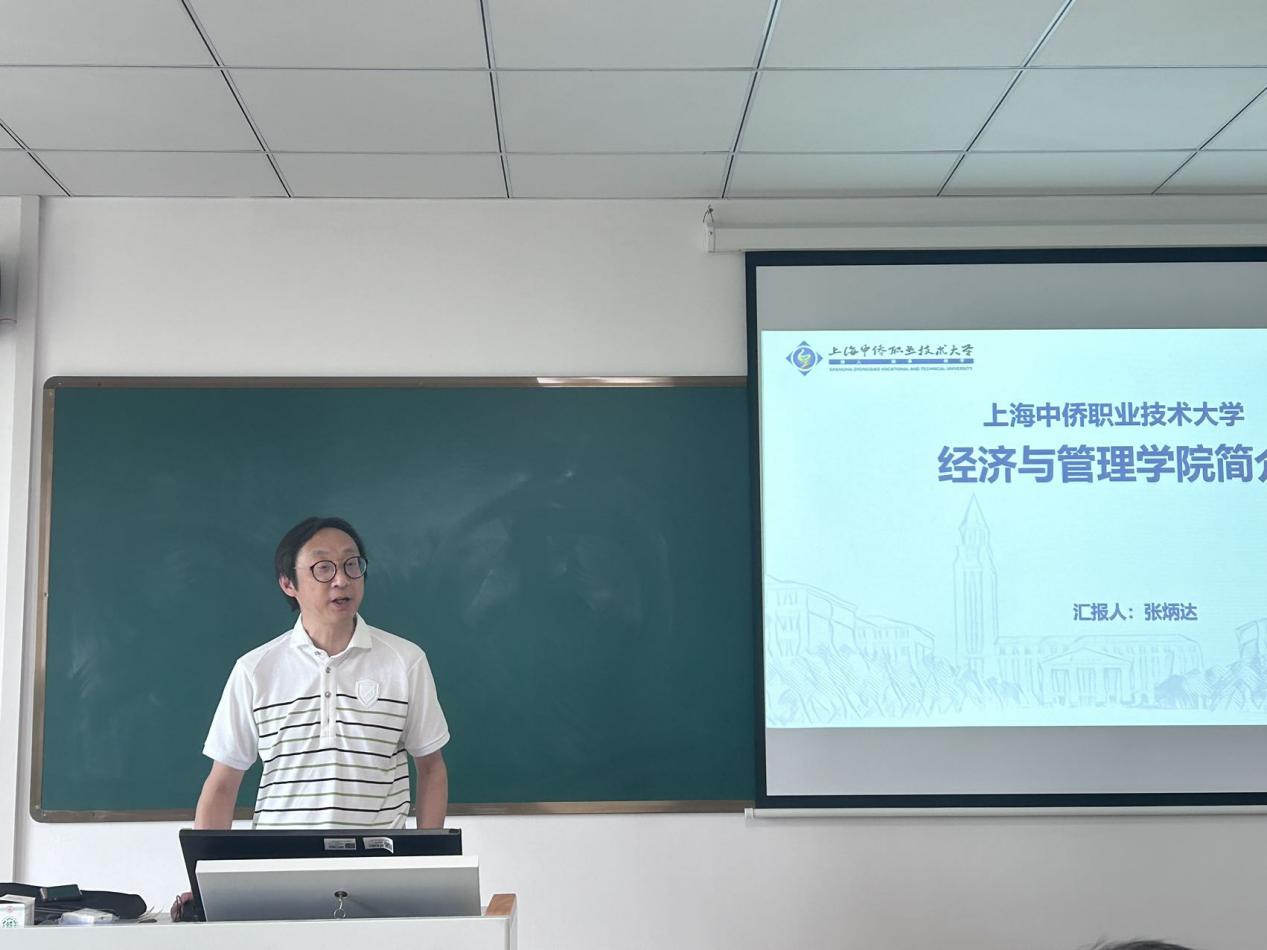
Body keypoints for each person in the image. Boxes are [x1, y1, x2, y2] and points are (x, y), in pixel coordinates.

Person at [173, 516, 450, 919]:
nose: (341, 580)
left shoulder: (404, 661)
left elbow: (432, 768)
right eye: (323, 568)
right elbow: (222, 784)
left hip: (379, 873)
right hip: (276, 873)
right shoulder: (256, 669)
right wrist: (205, 882)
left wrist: (427, 865)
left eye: (352, 564)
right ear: (289, 583)